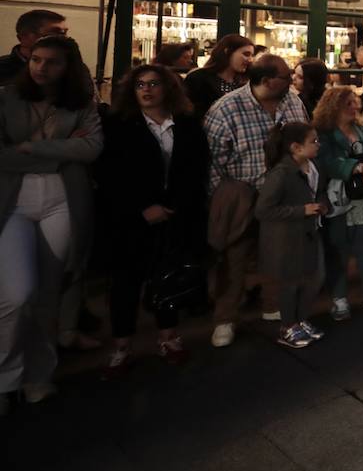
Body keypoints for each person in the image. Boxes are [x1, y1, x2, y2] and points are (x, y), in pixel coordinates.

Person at [0, 35, 101, 414]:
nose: (41, 67)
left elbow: (92, 148)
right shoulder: (6, 96)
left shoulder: (81, 103)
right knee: (16, 293)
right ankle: (5, 375)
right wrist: (58, 153)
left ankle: (38, 375)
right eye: (36, 59)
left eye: (52, 62)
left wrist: (28, 148)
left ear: (68, 67)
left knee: (48, 292)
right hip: (13, 200)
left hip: (64, 199)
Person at [99, 64, 209, 378]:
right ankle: (121, 346)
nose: (147, 90)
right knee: (126, 283)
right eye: (140, 85)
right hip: (131, 218)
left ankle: (168, 337)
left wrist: (174, 206)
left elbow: (195, 168)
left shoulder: (186, 123)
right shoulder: (119, 125)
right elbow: (110, 175)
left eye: (153, 84)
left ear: (168, 88)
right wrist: (141, 208)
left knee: (168, 277)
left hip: (175, 214)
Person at [203, 54, 309, 348]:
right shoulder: (226, 109)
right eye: (286, 78)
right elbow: (213, 162)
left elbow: (304, 141)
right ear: (266, 81)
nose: (291, 82)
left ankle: (272, 305)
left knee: (279, 255)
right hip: (244, 195)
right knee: (234, 259)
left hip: (282, 196)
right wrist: (223, 200)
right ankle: (224, 319)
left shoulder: (292, 102)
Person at [314, 87, 363, 320]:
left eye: (355, 102)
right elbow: (326, 161)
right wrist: (358, 167)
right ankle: (339, 297)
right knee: (338, 250)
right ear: (333, 106)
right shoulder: (323, 132)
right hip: (340, 199)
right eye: (348, 103)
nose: (354, 107)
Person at [255, 123, 326, 349]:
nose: (318, 144)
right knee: (290, 284)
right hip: (286, 239)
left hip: (308, 233)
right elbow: (263, 210)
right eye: (313, 141)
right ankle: (288, 325)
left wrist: (322, 205)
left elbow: (318, 191)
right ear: (296, 147)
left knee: (313, 278)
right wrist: (301, 210)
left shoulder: (312, 167)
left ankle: (300, 319)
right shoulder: (281, 174)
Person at [183, 34, 254, 120]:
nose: (250, 60)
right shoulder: (198, 78)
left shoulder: (247, 82)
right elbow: (186, 114)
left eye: (251, 55)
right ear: (227, 52)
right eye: (246, 54)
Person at [0, 9, 67, 87]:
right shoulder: (2, 68)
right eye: (55, 33)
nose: (63, 39)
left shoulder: (73, 66)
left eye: (65, 33)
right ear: (24, 37)